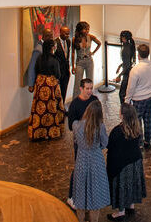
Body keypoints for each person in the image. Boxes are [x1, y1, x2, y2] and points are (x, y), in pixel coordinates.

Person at [72, 100, 110, 222]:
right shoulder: (100, 127)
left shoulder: (76, 125)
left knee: (80, 195)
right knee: (96, 195)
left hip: (81, 160)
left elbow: (76, 141)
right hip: (96, 160)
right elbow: (105, 143)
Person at [106, 103, 146, 220]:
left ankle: (121, 212)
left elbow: (110, 146)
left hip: (122, 165)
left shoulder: (117, 131)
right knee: (132, 183)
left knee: (122, 186)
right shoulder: (137, 127)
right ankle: (131, 205)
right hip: (135, 161)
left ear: (122, 115)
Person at [66, 78, 101, 209]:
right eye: (87, 88)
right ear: (81, 88)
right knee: (78, 169)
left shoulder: (94, 100)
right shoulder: (74, 105)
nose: (89, 91)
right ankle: (72, 196)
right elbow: (71, 126)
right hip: (81, 143)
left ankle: (87, 195)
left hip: (93, 141)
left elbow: (99, 118)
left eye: (91, 88)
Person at [124, 43, 151, 150]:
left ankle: (139, 143)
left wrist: (127, 100)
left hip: (139, 99)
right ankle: (147, 141)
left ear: (138, 55)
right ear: (148, 53)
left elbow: (131, 88)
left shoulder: (135, 69)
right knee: (148, 119)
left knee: (137, 120)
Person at [28, 38, 65, 141]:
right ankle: (51, 132)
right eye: (55, 46)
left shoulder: (39, 58)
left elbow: (36, 70)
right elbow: (58, 75)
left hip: (40, 85)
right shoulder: (54, 60)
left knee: (40, 109)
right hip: (51, 86)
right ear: (52, 48)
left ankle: (38, 133)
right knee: (51, 108)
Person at [72, 21, 102, 92]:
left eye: (88, 29)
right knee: (78, 83)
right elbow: (73, 53)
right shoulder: (75, 39)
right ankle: (76, 101)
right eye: (85, 29)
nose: (87, 31)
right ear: (80, 29)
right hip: (79, 62)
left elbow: (99, 43)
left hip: (89, 61)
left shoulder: (90, 37)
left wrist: (93, 52)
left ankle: (90, 100)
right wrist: (73, 66)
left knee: (89, 82)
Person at [116, 30, 137, 105]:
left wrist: (119, 75)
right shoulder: (129, 45)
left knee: (122, 94)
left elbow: (127, 64)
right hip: (129, 71)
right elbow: (128, 62)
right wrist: (120, 66)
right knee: (127, 93)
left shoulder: (126, 49)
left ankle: (124, 110)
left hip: (127, 73)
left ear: (123, 38)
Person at [55, 25, 72, 103]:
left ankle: (62, 107)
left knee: (64, 90)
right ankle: (58, 109)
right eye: (66, 34)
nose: (67, 35)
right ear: (60, 32)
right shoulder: (55, 43)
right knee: (58, 92)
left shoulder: (68, 42)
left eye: (68, 34)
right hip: (58, 72)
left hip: (66, 71)